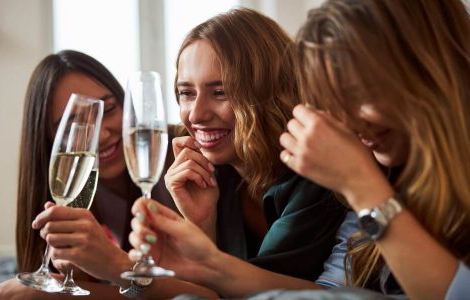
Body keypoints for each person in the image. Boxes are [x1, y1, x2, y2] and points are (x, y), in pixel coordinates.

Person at [129, 0, 470, 299]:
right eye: (186, 93)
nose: (345, 120)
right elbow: (334, 293)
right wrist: (205, 252)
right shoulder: (392, 173)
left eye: (361, 92)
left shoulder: (347, 173)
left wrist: (362, 186)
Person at [126, 7, 346, 298]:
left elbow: (262, 292)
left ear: (267, 92)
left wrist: (113, 264)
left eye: (220, 92)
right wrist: (202, 224)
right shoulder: (210, 173)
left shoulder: (315, 172)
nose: (196, 114)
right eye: (186, 93)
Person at [0, 50, 178, 299]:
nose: (102, 135)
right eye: (74, 126)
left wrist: (56, 295)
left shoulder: (174, 159)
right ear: (49, 140)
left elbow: (203, 294)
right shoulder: (79, 184)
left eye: (109, 109)